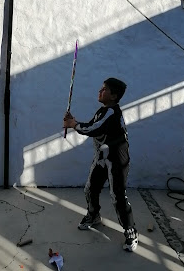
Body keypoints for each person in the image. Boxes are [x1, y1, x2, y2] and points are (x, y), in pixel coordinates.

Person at [63, 77, 138, 252]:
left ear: (114, 95)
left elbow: (93, 130)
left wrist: (73, 125)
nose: (100, 91)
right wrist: (74, 121)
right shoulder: (103, 111)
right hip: (102, 157)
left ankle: (131, 232)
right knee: (90, 189)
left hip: (117, 160)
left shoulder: (113, 112)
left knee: (117, 196)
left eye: (104, 89)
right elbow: (91, 124)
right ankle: (93, 215)